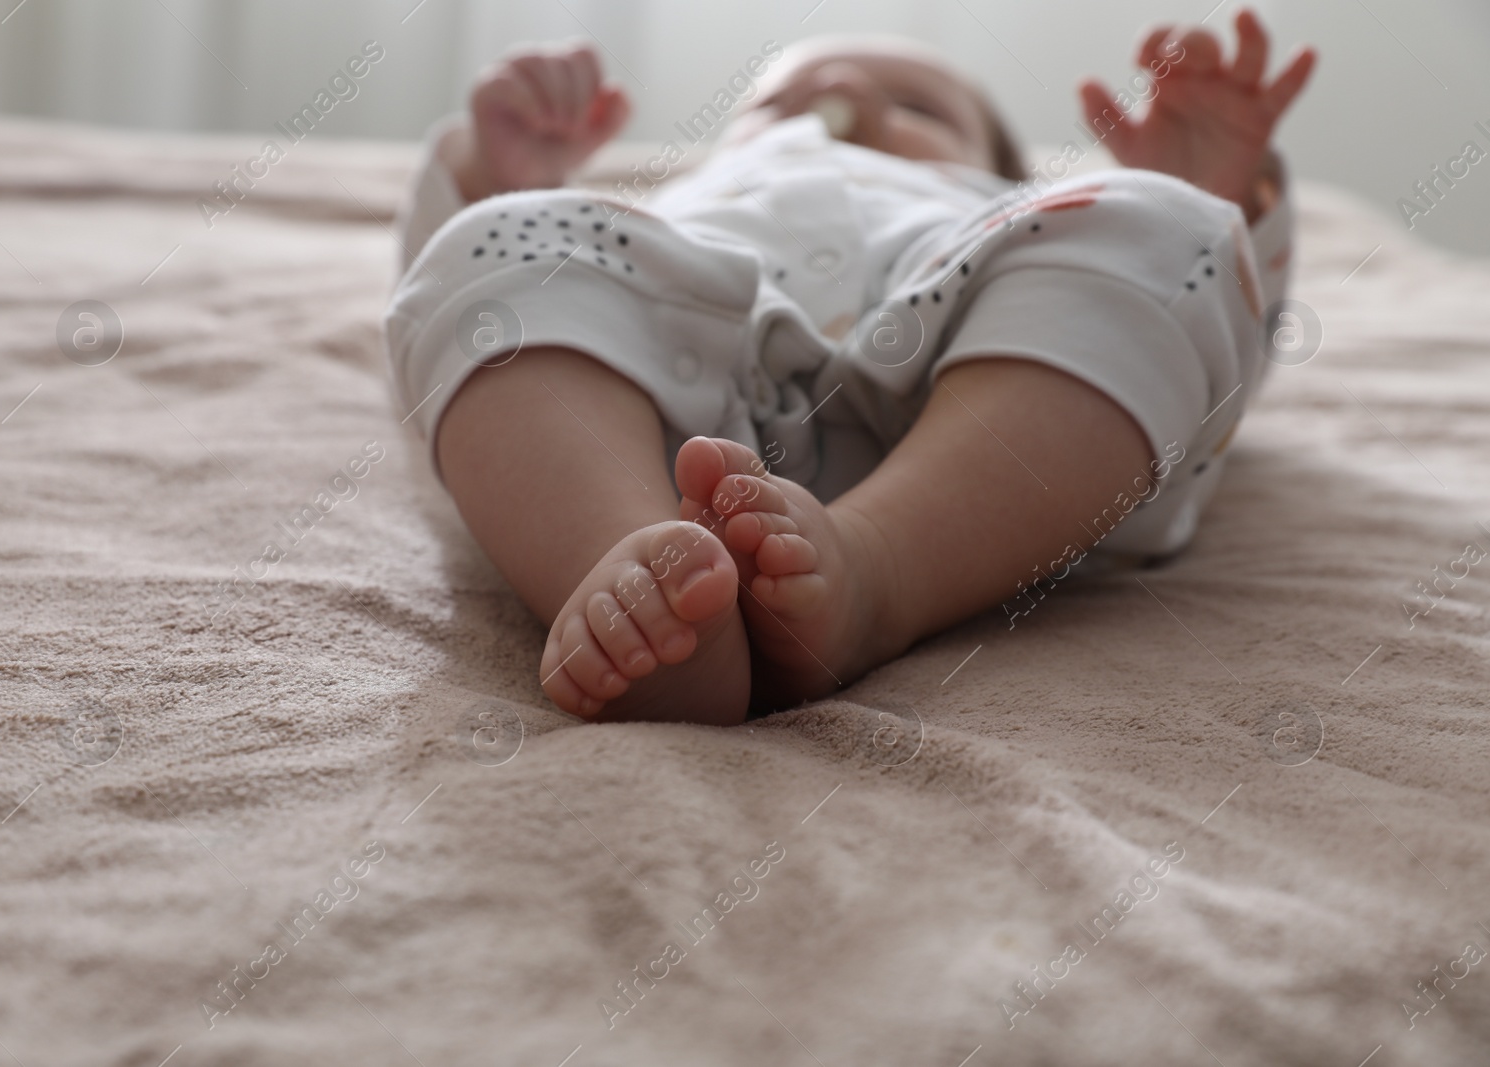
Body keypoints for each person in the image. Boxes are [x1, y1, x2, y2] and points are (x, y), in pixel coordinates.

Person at [384, 11, 1316, 725]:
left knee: (1171, 235)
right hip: (667, 428)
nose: (845, 101)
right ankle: (632, 569)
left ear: (1006, 176)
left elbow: (1191, 357)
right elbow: (449, 315)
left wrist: (1211, 199)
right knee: (496, 248)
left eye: (917, 108)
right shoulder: (677, 212)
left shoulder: (1000, 214)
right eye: (778, 104)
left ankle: (877, 574)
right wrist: (506, 179)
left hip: (968, 445)